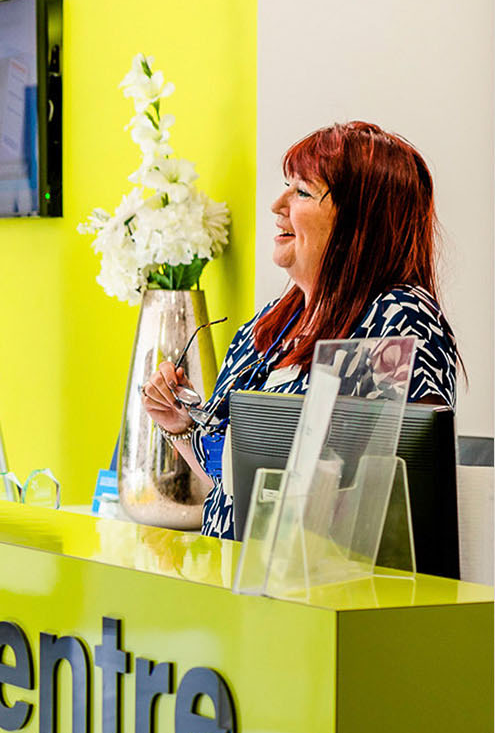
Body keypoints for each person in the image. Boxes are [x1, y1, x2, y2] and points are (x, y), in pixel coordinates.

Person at [142, 121, 460, 539]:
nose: (277, 204)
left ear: (360, 222)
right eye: (286, 186)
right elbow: (232, 484)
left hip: (323, 590)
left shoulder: (398, 318)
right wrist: (180, 425)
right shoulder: (267, 327)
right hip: (235, 579)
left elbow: (376, 497)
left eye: (303, 192)